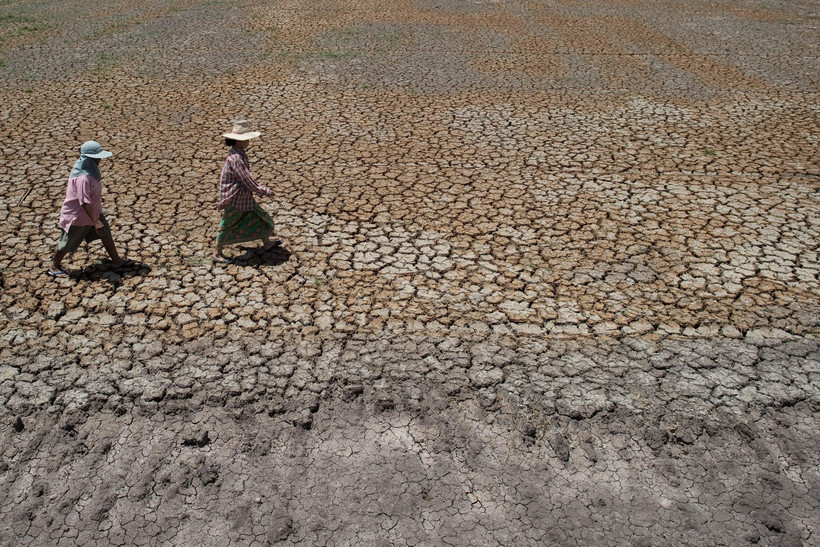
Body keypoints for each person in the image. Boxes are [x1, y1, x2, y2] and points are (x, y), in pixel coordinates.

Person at [48, 141, 134, 278]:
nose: (100, 160)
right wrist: (96, 221)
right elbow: (84, 202)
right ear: (90, 159)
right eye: (98, 157)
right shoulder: (83, 177)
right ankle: (54, 266)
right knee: (67, 242)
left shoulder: (90, 170)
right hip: (79, 217)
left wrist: (97, 218)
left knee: (106, 234)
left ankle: (117, 261)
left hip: (94, 213)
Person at [212, 120, 280, 263]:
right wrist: (265, 191)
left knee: (257, 216)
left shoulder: (239, 154)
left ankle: (267, 243)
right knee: (228, 224)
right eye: (247, 139)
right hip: (235, 198)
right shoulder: (236, 158)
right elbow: (246, 179)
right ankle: (217, 253)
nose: (249, 142)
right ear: (239, 141)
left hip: (243, 197)